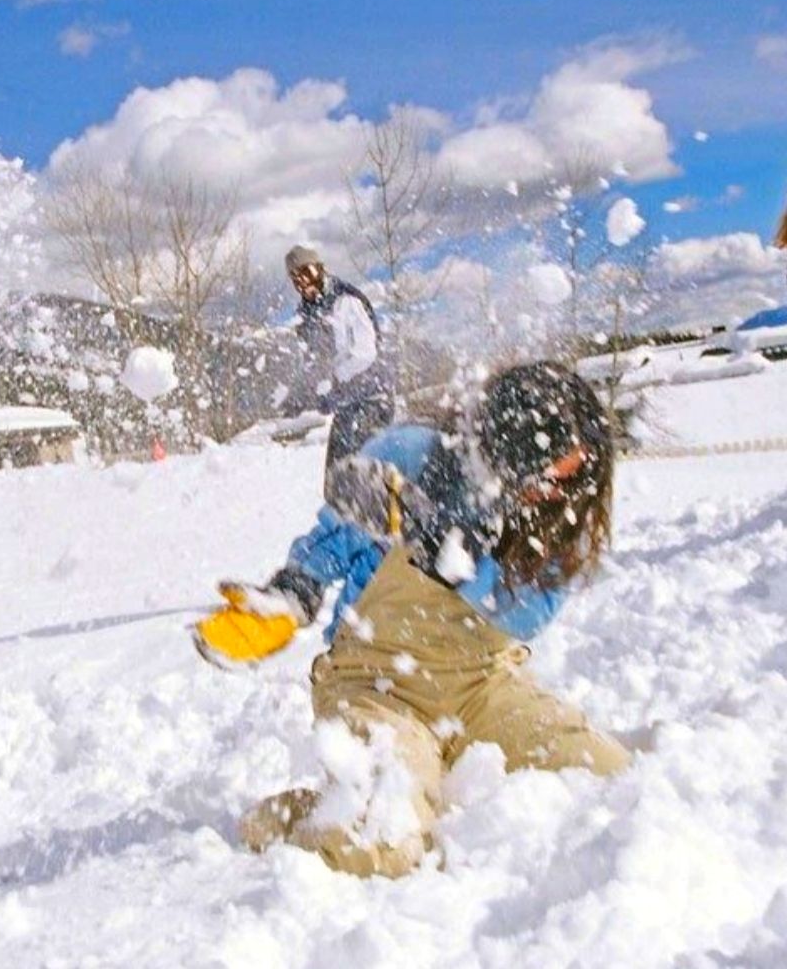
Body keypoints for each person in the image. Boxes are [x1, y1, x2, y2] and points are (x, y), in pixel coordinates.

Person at [196, 361, 629, 878]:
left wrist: (447, 546)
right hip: (377, 684)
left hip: (483, 686)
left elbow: (528, 614)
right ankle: (313, 814)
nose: (559, 490)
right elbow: (333, 540)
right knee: (377, 847)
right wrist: (294, 592)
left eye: (572, 472)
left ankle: (421, 772)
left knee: (612, 782)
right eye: (546, 477)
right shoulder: (414, 459)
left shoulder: (568, 509)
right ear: (504, 451)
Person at [281, 245, 393, 466]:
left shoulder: (346, 301)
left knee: (357, 471)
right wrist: (303, 393)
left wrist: (335, 378)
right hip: (348, 404)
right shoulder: (307, 314)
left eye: (307, 273)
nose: (303, 283)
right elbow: (313, 360)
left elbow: (365, 353)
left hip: (372, 399)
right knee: (339, 474)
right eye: (296, 279)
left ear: (320, 270)